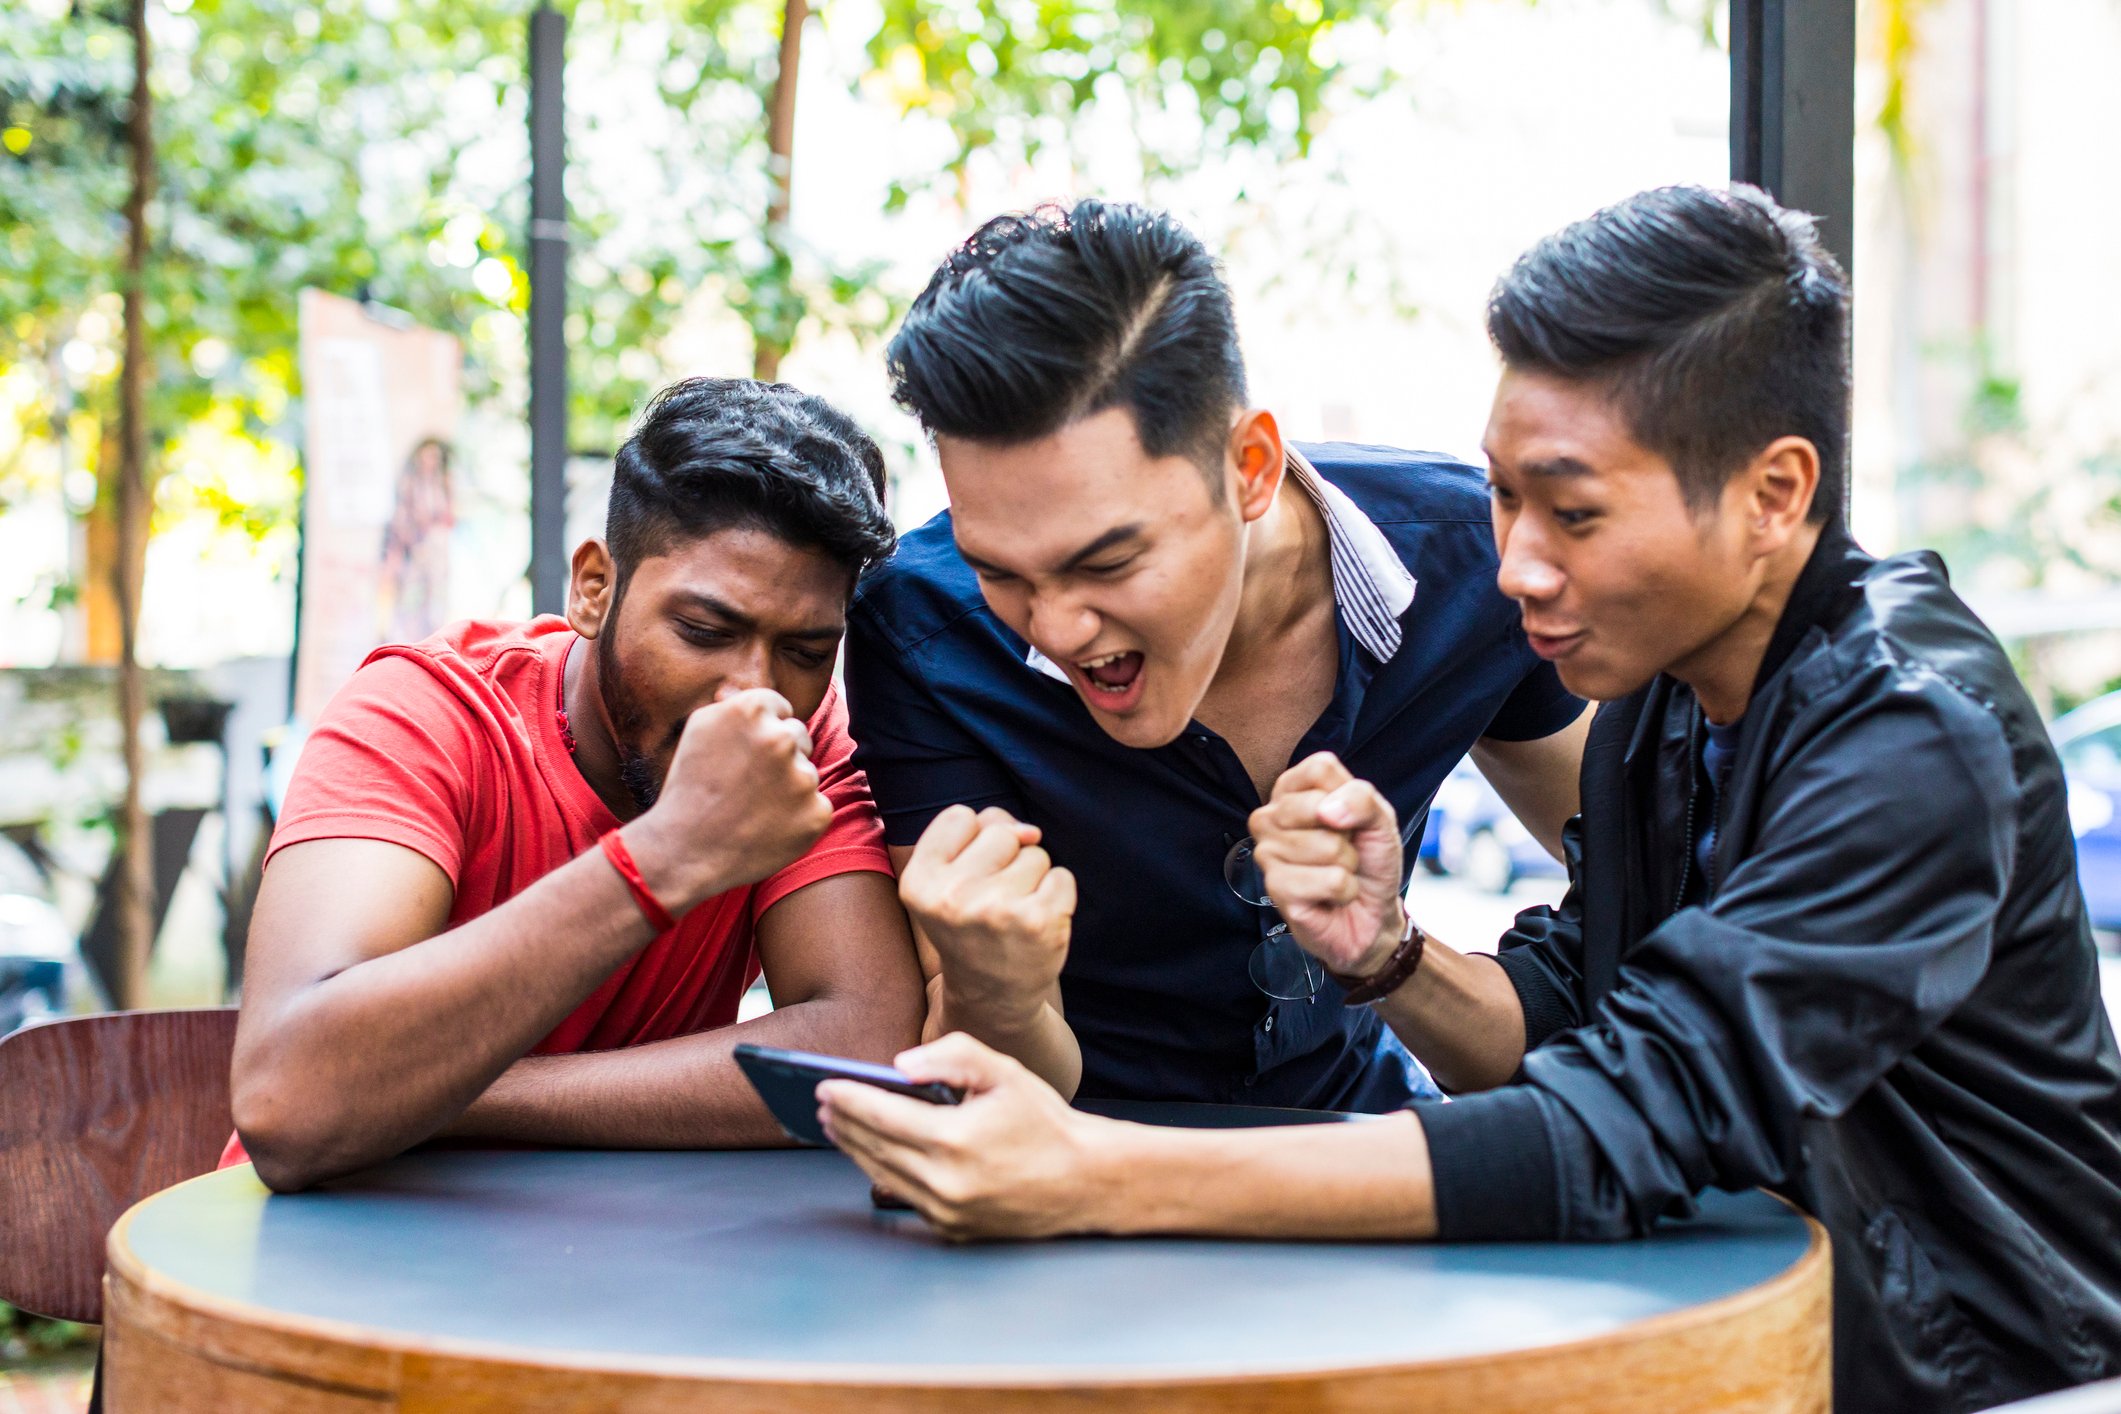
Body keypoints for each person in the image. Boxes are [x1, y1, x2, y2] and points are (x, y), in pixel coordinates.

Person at [818, 186, 2121, 1412]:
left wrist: (1095, 1172)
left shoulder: (1911, 728)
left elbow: (1626, 1119)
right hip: (1779, 1338)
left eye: (1573, 513)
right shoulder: (1667, 698)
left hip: (2005, 1379)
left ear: (1772, 495)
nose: (1512, 566)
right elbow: (1581, 1008)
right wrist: (1387, 951)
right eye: (1502, 496)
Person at [842, 199, 1590, 1114]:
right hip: (1079, 1162)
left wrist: (1398, 956)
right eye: (998, 571)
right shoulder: (921, 629)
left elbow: (1644, 875)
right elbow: (990, 1088)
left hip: (1367, 1142)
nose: (1057, 629)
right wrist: (989, 990)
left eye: (1107, 562)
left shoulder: (1471, 563)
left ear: (1251, 467)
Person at [230, 378, 926, 1192]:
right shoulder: (425, 714)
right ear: (594, 588)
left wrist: (435, 1094)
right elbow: (289, 1103)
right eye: (703, 631)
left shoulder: (798, 741)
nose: (753, 692)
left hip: (617, 1245)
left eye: (805, 652)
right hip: (332, 1245)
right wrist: (665, 858)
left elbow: (865, 1045)